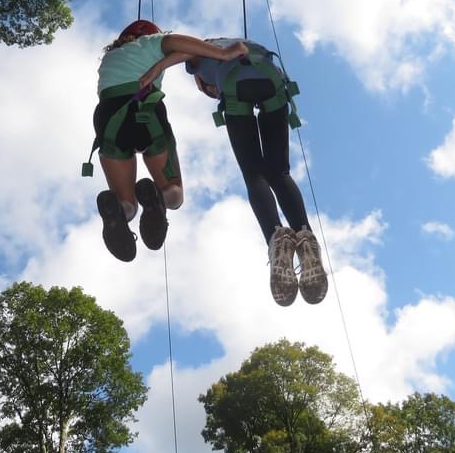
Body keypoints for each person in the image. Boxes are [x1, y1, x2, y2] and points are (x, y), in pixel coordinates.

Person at [138, 37, 328, 306]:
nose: (212, 93)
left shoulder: (202, 53)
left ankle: (277, 237)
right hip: (272, 83)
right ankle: (304, 236)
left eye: (208, 91)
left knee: (254, 174)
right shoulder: (249, 43)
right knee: (279, 173)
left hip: (237, 88)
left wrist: (158, 68)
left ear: (202, 83)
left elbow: (182, 54)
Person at [88, 20, 248, 262]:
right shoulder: (151, 43)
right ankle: (157, 199)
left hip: (108, 118)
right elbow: (184, 45)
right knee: (174, 194)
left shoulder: (110, 60)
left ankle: (119, 211)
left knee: (126, 206)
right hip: (145, 110)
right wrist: (223, 53)